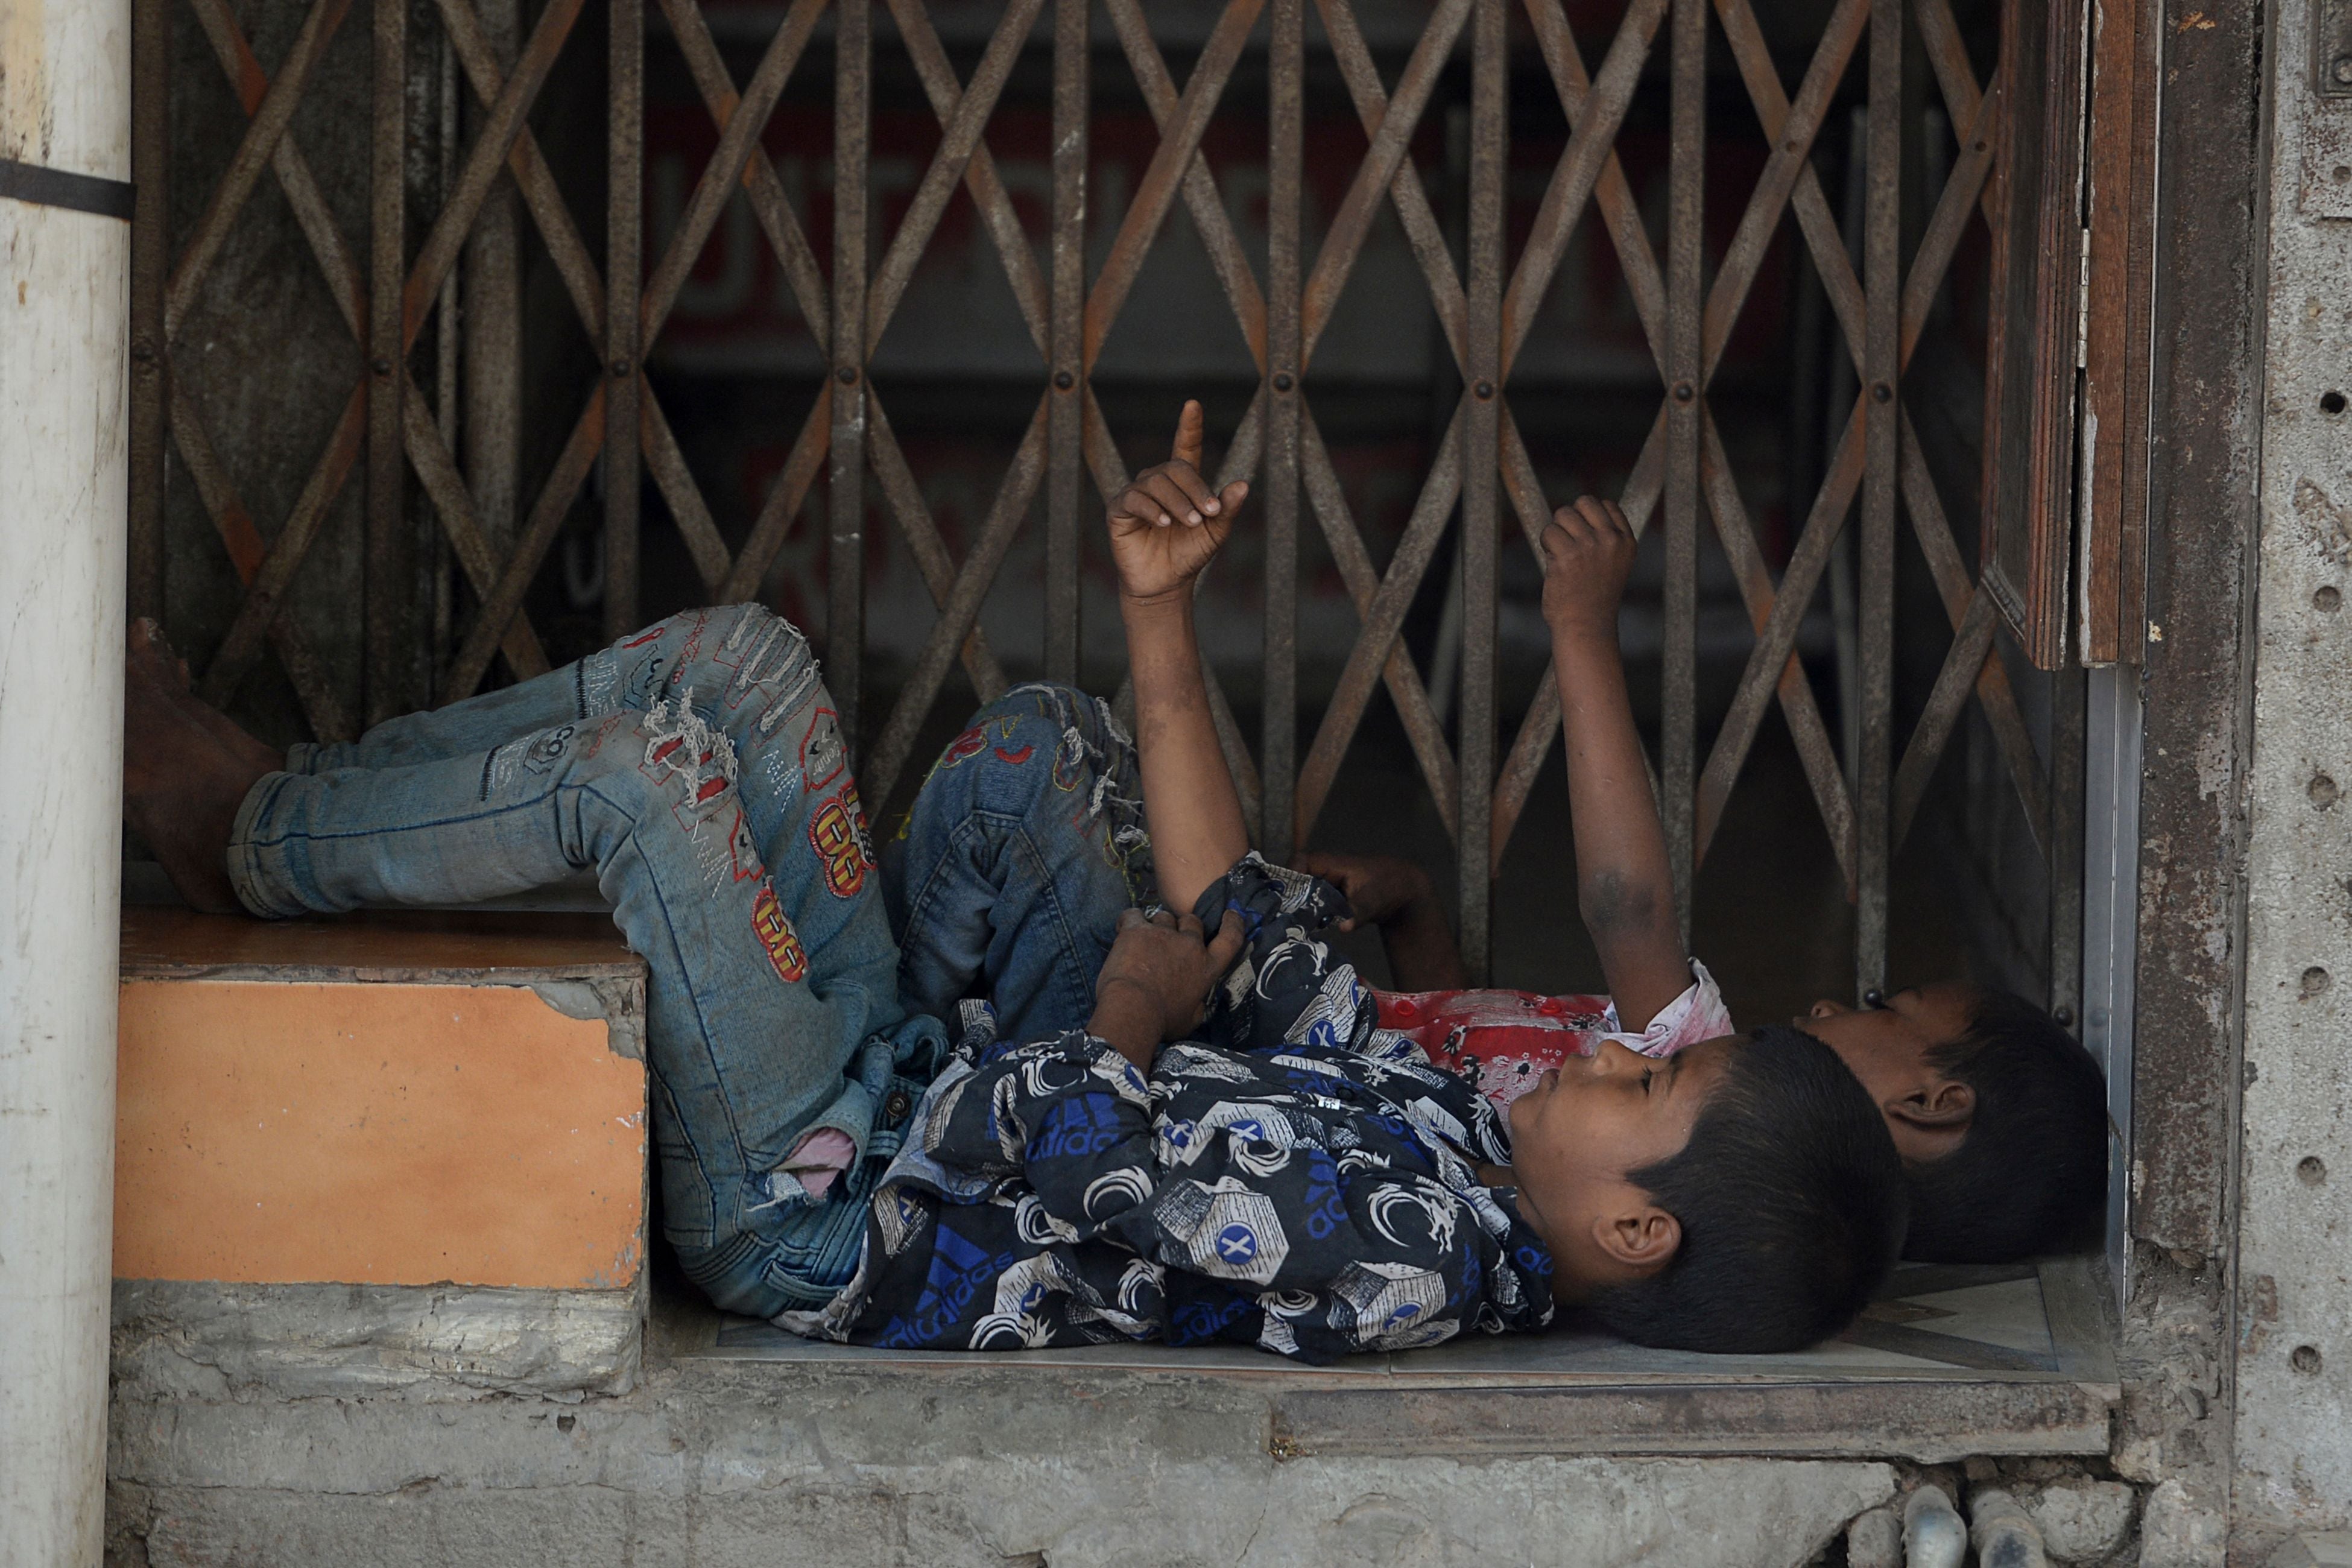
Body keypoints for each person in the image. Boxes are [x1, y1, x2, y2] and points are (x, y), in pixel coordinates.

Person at [122, 404, 1901, 1360]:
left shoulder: (1409, 1260)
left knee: (640, 782)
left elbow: (1066, 1153)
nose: (1598, 1053)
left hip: (830, 1204)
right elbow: (1250, 939)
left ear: (1633, 1231)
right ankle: (297, 807)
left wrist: (1129, 1019)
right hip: (909, 1069)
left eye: (1643, 1081)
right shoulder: (1449, 1125)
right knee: (769, 673)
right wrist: (1157, 613)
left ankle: (243, 831)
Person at [1295, 497, 2109, 1266]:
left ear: (1933, 1104)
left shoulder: (1706, 1095)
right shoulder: (1663, 1186)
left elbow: (1628, 908)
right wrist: (1416, 912)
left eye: (1882, 1009)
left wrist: (1581, 629)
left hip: (1285, 1062)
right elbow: (1459, 1081)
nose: (1830, 1005)